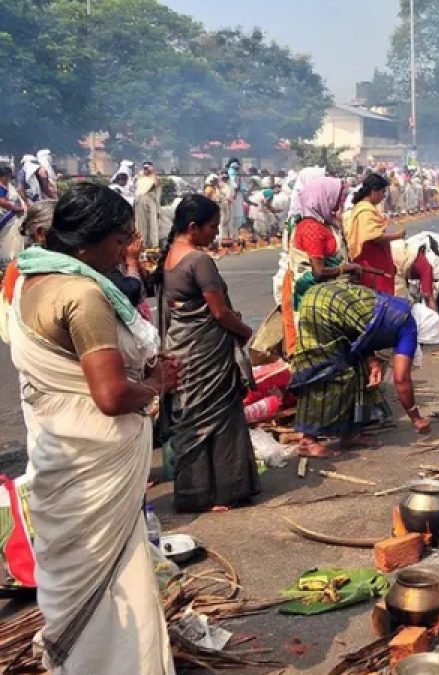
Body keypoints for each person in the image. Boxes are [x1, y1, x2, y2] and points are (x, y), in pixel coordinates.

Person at [9, 184, 179, 674]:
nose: (128, 248)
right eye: (124, 238)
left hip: (57, 452)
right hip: (94, 462)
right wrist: (155, 384)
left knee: (77, 578)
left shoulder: (29, 280)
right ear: (92, 240)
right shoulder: (82, 295)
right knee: (116, 577)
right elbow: (109, 397)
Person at [155, 194, 259, 512]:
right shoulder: (199, 261)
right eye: (212, 226)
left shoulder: (169, 256)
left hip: (182, 349)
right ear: (193, 227)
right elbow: (219, 312)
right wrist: (245, 332)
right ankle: (226, 491)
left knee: (192, 422)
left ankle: (194, 492)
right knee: (221, 418)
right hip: (206, 352)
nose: (216, 233)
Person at [289, 281, 439, 456]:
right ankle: (308, 442)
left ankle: (350, 433)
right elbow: (401, 378)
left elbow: (365, 329)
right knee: (330, 371)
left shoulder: (400, 308)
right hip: (324, 307)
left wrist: (372, 361)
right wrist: (416, 417)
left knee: (360, 370)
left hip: (322, 296)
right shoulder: (409, 327)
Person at [282, 177, 360, 354]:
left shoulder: (324, 224)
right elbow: (318, 272)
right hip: (314, 296)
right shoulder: (312, 229)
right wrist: (343, 269)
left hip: (328, 294)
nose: (339, 202)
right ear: (323, 197)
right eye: (336, 197)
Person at [346, 173, 404, 294]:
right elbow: (373, 237)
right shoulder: (365, 210)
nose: (383, 197)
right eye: (382, 192)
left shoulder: (368, 208)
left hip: (377, 262)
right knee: (379, 301)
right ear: (373, 191)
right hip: (371, 265)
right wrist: (397, 236)